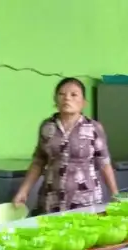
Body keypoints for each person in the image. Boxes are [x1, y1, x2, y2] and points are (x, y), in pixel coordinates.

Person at [13, 78, 118, 212]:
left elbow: (104, 163)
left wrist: (115, 194)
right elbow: (38, 162)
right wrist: (24, 191)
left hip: (86, 200)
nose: (67, 98)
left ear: (84, 102)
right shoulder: (47, 127)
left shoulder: (93, 128)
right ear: (56, 100)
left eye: (74, 94)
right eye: (62, 94)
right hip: (51, 199)